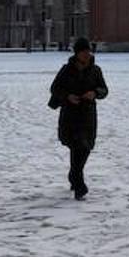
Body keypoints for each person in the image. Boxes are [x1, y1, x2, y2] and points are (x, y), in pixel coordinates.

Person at [49, 38, 109, 200]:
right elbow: (54, 88)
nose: (86, 54)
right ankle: (79, 184)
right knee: (76, 146)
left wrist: (95, 93)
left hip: (88, 115)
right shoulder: (66, 70)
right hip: (70, 114)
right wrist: (67, 96)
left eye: (88, 51)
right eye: (83, 51)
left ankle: (74, 175)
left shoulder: (96, 70)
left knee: (85, 147)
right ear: (77, 53)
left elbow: (104, 90)